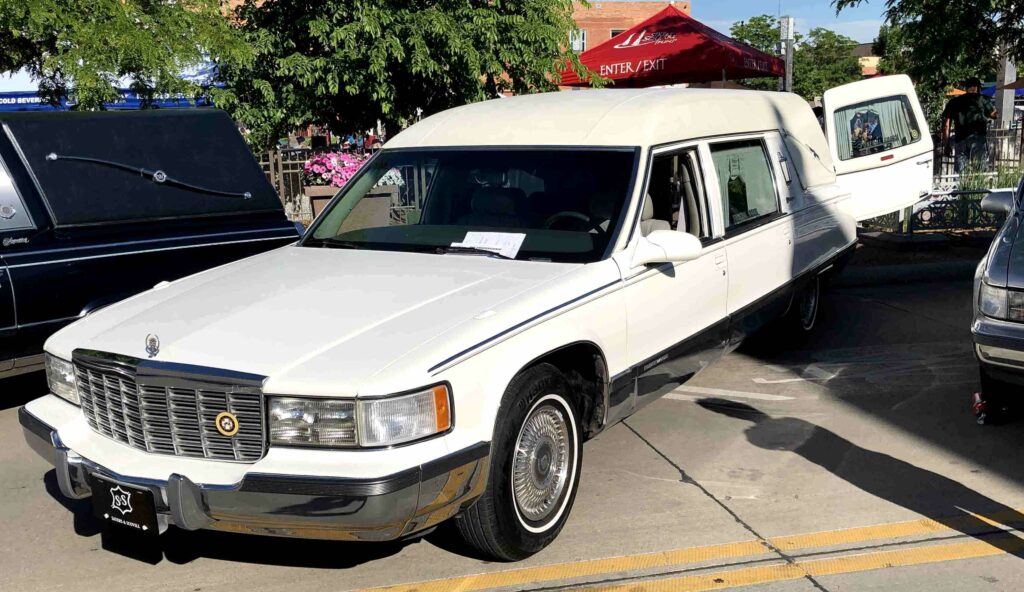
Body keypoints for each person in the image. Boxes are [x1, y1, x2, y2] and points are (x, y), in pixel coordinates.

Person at [942, 76, 997, 173]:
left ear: (966, 88)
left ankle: (961, 188)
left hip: (960, 139)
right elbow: (994, 115)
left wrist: (946, 144)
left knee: (960, 173)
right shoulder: (983, 99)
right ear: (977, 87)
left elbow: (946, 125)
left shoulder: (954, 102)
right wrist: (993, 114)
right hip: (978, 139)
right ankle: (979, 188)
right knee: (980, 171)